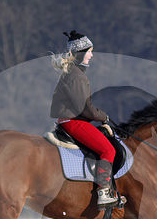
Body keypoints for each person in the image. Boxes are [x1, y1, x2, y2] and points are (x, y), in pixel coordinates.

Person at [50, 30, 123, 209]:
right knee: (108, 150)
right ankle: (103, 192)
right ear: (81, 53)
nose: (92, 55)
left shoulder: (75, 73)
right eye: (90, 51)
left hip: (73, 120)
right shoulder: (76, 76)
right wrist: (104, 117)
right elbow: (85, 108)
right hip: (72, 121)